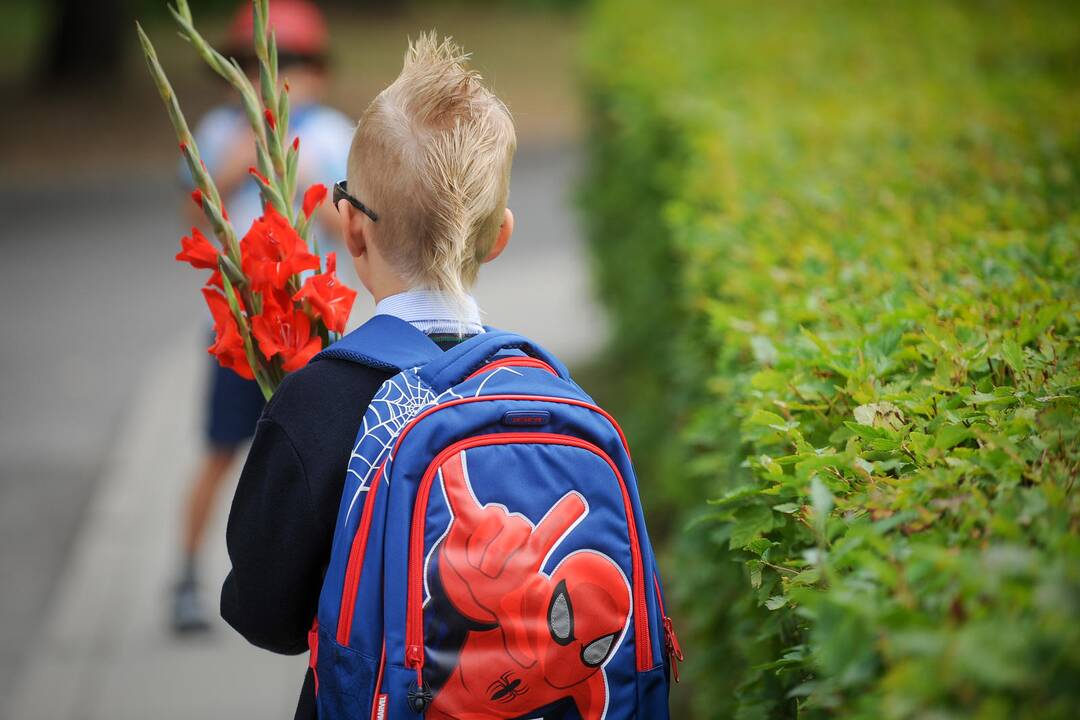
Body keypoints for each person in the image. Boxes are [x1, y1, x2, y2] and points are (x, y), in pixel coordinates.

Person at [220, 33, 516, 718]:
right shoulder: (544, 392)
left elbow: (263, 613)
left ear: (350, 230)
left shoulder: (318, 401)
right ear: (499, 237)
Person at [172, 0, 355, 634]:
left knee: (329, 458)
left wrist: (297, 172)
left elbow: (345, 228)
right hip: (242, 324)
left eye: (290, 63)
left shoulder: (331, 134)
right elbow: (196, 222)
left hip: (308, 327)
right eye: (250, 66)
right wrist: (238, 159)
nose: (271, 77)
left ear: (319, 70)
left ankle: (338, 581)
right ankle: (186, 577)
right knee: (220, 450)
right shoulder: (221, 131)